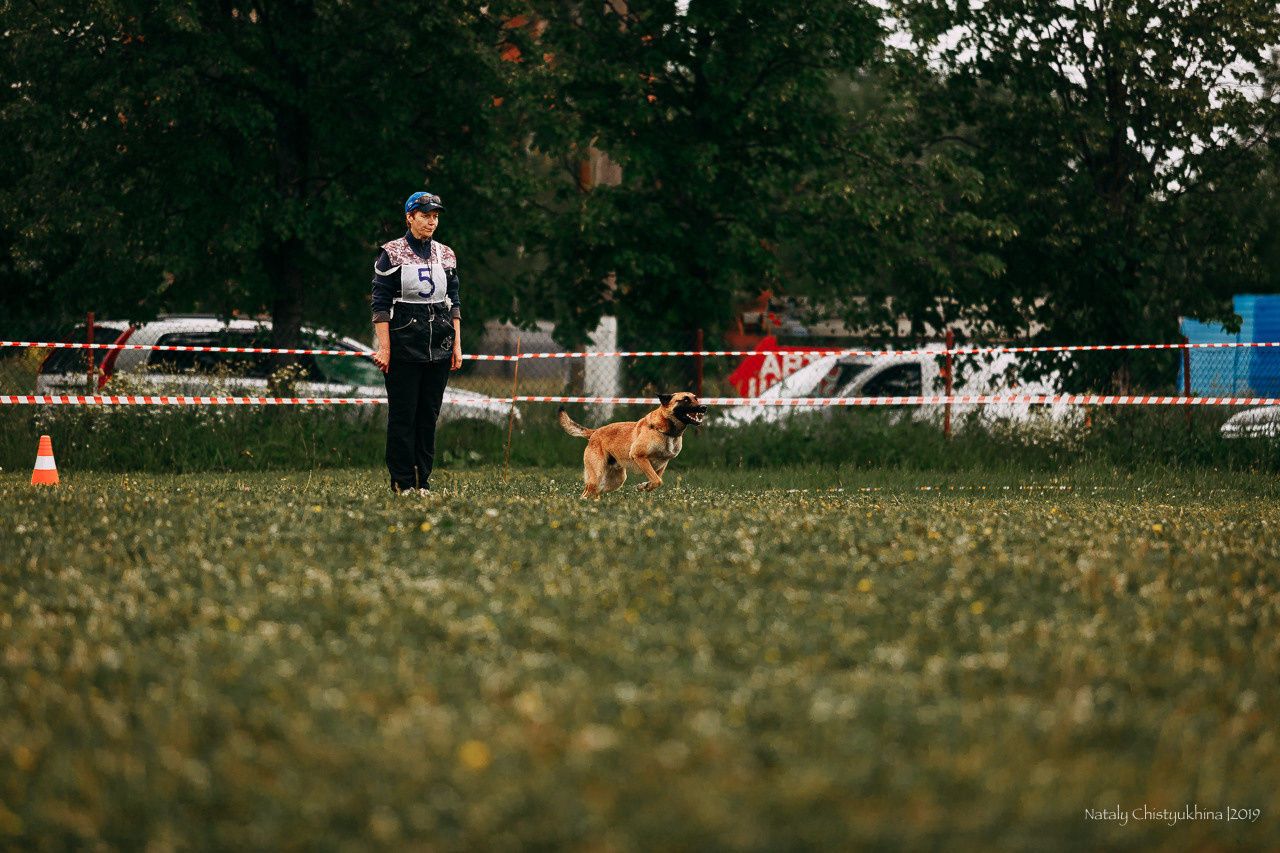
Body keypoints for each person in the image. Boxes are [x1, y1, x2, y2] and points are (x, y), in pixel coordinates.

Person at [371, 191, 463, 494]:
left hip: (440, 345)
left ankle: (422, 481)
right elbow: (381, 304)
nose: (431, 221)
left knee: (428, 417)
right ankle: (402, 482)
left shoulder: (446, 254)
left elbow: (454, 301)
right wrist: (385, 348)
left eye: (435, 216)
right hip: (404, 346)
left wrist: (456, 345)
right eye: (425, 215)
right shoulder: (391, 252)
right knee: (403, 418)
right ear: (410, 217)